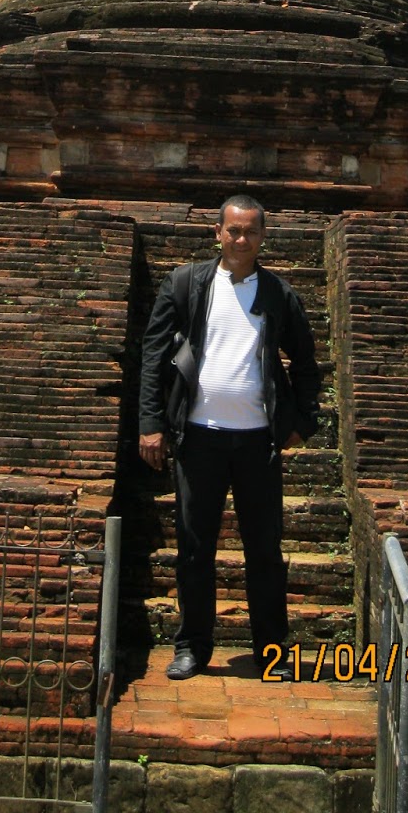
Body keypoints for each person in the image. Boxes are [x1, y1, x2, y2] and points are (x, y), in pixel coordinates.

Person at [138, 195, 321, 681]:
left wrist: (303, 423)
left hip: (258, 441)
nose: (241, 240)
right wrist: (151, 423)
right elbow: (154, 357)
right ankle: (192, 646)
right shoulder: (187, 285)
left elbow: (305, 362)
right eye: (233, 231)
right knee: (195, 547)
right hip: (198, 438)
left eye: (251, 232)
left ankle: (271, 652)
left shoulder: (278, 295)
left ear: (263, 236)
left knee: (264, 549)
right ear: (217, 232)